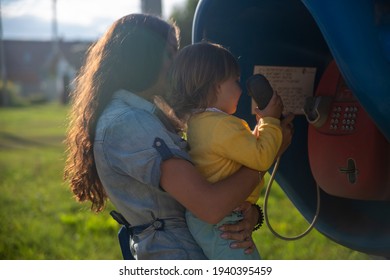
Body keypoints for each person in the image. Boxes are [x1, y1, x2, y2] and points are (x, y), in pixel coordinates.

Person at [63, 13, 268, 260]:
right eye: (171, 54)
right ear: (144, 57)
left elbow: (206, 196)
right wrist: (263, 159)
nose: (179, 65)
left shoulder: (147, 116)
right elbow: (210, 206)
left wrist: (251, 214)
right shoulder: (129, 122)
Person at [168, 42, 294, 259]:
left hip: (214, 218)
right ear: (217, 86)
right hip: (223, 221)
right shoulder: (222, 124)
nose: (241, 88)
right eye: (235, 81)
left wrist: (264, 130)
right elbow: (261, 158)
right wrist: (271, 121)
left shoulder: (201, 123)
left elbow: (242, 152)